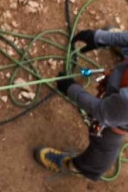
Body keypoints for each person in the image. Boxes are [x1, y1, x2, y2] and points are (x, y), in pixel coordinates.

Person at [36, 28, 128, 180]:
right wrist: (101, 38)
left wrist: (71, 89)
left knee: (105, 140)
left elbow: (101, 111)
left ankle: (82, 168)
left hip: (121, 112)